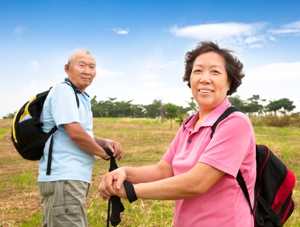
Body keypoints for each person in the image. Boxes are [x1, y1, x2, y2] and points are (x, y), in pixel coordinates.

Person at [99, 42, 256, 227]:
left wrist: (132, 191)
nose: (205, 79)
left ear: (230, 82)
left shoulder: (235, 123)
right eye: (198, 71)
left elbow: (197, 183)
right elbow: (164, 170)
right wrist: (125, 172)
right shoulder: (189, 123)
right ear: (189, 79)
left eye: (215, 72)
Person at [38, 49, 123, 227]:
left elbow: (80, 132)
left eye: (92, 66)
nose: (87, 71)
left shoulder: (80, 96)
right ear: (67, 69)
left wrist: (104, 142)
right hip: (64, 177)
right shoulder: (63, 91)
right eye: (81, 65)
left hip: (70, 178)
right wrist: (103, 153)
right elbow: (75, 133)